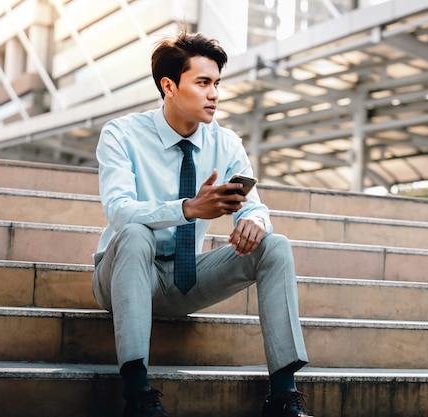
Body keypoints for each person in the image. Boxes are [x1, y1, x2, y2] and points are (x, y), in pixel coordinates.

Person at [92, 31, 311, 417]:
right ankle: (137, 391)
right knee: (135, 232)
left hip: (185, 279)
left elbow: (254, 207)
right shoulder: (121, 135)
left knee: (275, 245)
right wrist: (187, 209)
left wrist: (255, 222)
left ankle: (283, 393)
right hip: (122, 276)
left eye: (217, 84)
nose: (214, 94)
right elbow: (120, 211)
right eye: (203, 82)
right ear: (169, 86)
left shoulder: (226, 143)